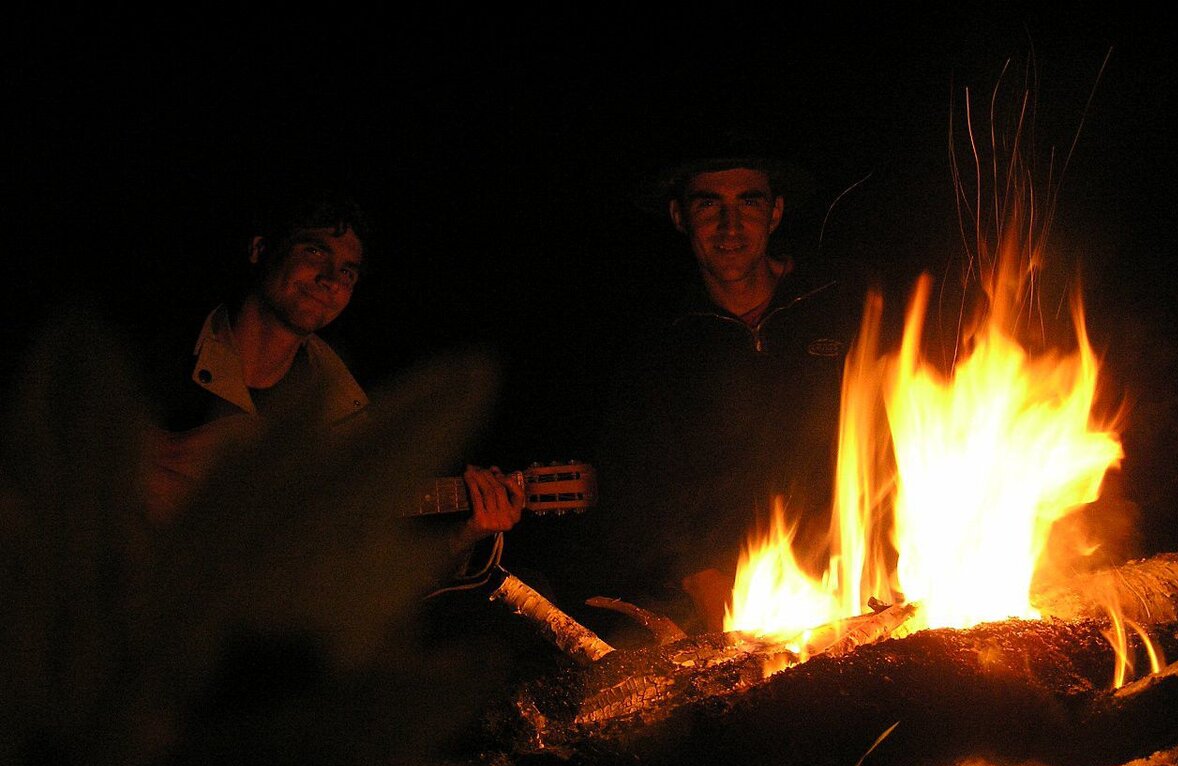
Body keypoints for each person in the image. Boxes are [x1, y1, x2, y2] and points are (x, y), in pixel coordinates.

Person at [139, 185, 525, 582]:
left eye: (347, 271)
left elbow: (356, 578)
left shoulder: (341, 414)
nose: (330, 279)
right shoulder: (157, 350)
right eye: (315, 251)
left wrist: (465, 534)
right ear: (260, 250)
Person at [589, 130, 860, 633]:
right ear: (680, 217)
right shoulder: (657, 343)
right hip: (720, 608)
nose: (729, 226)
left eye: (749, 203)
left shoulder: (839, 306)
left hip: (857, 582)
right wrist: (702, 583)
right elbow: (632, 489)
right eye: (709, 205)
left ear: (775, 213)